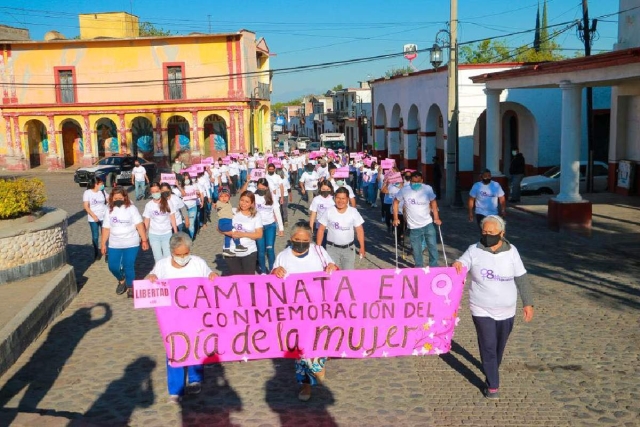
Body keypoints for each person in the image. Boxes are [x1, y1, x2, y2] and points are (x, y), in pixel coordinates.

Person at [452, 215, 534, 399]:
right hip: (481, 307)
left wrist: (528, 303)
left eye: (491, 232)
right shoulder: (474, 250)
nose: (487, 235)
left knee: (499, 346)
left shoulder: (512, 251)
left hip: (507, 309)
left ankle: (491, 367)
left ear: (502, 233)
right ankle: (493, 385)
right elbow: (463, 263)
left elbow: (521, 278)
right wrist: (458, 263)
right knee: (488, 344)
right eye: (484, 231)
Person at [145, 232, 219, 403]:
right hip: (172, 318)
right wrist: (151, 278)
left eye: (186, 253)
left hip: (196, 314)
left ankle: (195, 379)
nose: (183, 257)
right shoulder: (162, 266)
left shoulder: (198, 263)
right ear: (171, 252)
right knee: (174, 349)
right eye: (179, 255)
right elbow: (150, 281)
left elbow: (210, 277)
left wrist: (212, 276)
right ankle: (176, 387)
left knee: (196, 345)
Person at [272, 222, 338, 402]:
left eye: (304, 240)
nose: (300, 243)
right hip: (295, 312)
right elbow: (272, 282)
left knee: (318, 342)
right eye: (297, 240)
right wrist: (275, 271)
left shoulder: (319, 251)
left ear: (310, 240)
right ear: (291, 239)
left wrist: (332, 266)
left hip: (318, 309)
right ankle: (306, 385)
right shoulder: (283, 256)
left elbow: (332, 268)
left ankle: (318, 365)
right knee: (301, 351)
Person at [101, 186, 149, 297]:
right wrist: (103, 244)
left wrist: (144, 240)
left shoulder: (131, 209)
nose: (117, 200)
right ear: (112, 198)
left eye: (120, 197)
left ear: (124, 197)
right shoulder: (108, 210)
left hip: (131, 242)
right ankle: (121, 280)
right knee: (112, 266)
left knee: (128, 265)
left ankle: (130, 287)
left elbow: (139, 225)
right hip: (114, 243)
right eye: (115, 197)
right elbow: (106, 228)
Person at [393, 171, 441, 268]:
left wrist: (436, 217)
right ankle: (419, 266)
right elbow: (396, 202)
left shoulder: (427, 189)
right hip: (413, 226)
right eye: (414, 182)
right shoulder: (405, 190)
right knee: (416, 248)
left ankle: (434, 265)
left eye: (418, 182)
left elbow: (433, 203)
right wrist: (395, 218)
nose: (416, 184)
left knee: (432, 245)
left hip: (427, 223)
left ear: (422, 180)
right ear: (410, 181)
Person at [316, 187, 365, 270]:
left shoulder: (353, 212)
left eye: (343, 198)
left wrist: (362, 247)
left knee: (349, 274)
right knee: (333, 275)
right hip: (332, 249)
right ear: (334, 198)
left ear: (347, 199)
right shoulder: (329, 211)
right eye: (338, 198)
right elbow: (321, 229)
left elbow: (359, 230)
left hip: (349, 249)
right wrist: (318, 247)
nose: (340, 201)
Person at [220, 191, 263, 275]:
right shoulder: (232, 211)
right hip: (231, 251)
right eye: (242, 200)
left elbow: (259, 234)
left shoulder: (256, 215)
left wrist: (243, 234)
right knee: (237, 279)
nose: (243, 203)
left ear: (252, 203)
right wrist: (231, 233)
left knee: (248, 279)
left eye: (247, 202)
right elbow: (219, 227)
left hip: (249, 251)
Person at [253, 178, 284, 274]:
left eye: (263, 188)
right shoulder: (254, 196)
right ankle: (263, 271)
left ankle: (272, 269)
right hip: (258, 227)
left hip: (270, 225)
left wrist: (281, 228)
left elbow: (277, 212)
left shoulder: (272, 196)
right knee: (261, 250)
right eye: (259, 188)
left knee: (270, 249)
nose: (261, 190)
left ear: (266, 187)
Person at [143, 182, 178, 262]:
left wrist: (175, 231)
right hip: (154, 235)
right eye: (153, 192)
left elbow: (172, 217)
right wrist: (143, 236)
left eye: (157, 191)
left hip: (167, 233)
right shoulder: (149, 205)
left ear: (160, 191)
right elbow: (146, 220)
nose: (155, 193)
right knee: (158, 258)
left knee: (168, 257)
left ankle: (167, 273)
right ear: (151, 193)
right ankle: (160, 273)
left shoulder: (168, 202)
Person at [216, 188, 247, 257]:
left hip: (228, 221)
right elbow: (217, 205)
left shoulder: (228, 203)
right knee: (234, 230)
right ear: (219, 198)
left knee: (228, 236)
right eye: (221, 196)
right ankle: (238, 245)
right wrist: (214, 204)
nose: (224, 198)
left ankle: (227, 249)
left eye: (226, 196)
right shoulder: (219, 203)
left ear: (229, 197)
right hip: (223, 222)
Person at [83, 177, 108, 261]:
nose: (103, 185)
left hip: (104, 216)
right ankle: (96, 252)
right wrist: (93, 216)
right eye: (101, 184)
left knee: (106, 235)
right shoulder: (87, 193)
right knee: (95, 236)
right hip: (93, 218)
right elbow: (86, 206)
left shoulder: (103, 191)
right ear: (96, 184)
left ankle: (106, 253)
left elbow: (109, 200)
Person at [180, 172, 201, 239]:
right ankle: (184, 237)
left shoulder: (194, 186)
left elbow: (198, 194)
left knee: (191, 224)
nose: (187, 180)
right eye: (185, 179)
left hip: (193, 207)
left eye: (188, 178)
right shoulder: (180, 188)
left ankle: (190, 239)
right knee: (184, 224)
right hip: (184, 208)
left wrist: (198, 194)